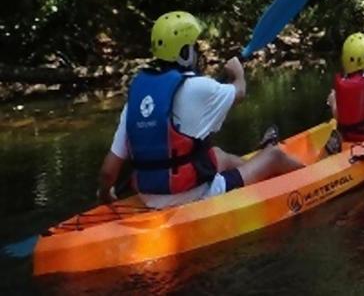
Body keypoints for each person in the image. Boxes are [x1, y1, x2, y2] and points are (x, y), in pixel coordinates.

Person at [96, 11, 304, 208]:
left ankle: (259, 176)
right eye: (194, 47)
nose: (197, 52)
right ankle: (311, 178)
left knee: (219, 155)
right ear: (185, 53)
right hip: (190, 195)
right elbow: (239, 92)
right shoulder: (197, 87)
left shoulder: (137, 98)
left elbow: (108, 172)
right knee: (274, 155)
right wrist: (238, 73)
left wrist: (106, 195)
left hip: (147, 197)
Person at [326, 32, 364, 147]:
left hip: (345, 136)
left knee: (333, 96)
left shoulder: (341, 82)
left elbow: (338, 111)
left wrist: (332, 98)